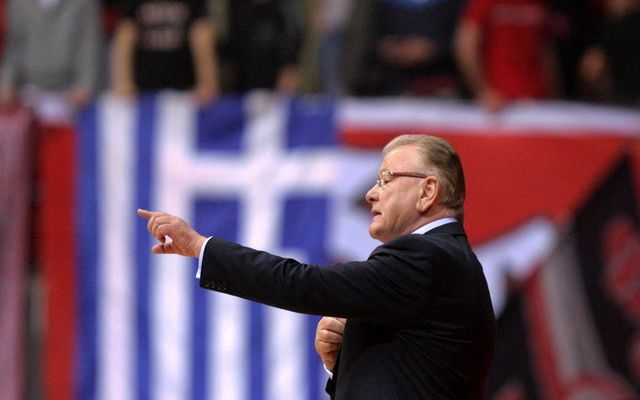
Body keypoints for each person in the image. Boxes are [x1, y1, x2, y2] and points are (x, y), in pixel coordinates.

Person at [138, 134, 496, 399]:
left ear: (428, 191)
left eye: (386, 179)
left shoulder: (427, 257)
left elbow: (305, 284)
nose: (371, 193)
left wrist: (201, 247)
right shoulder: (446, 262)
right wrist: (340, 361)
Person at [454, 0, 560, 111]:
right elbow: (466, 46)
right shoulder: (485, 3)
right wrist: (483, 90)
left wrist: (554, 93)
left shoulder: (540, 4)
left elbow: (545, 50)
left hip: (539, 98)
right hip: (501, 101)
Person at [111, 0, 218, 105]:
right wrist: (123, 82)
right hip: (143, 88)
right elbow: (125, 35)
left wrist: (206, 82)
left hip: (185, 89)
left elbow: (201, 34)